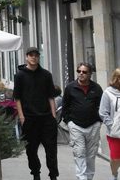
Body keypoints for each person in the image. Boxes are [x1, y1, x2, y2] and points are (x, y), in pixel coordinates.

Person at [14, 46, 58, 180]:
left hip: (46, 118)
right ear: (26, 57)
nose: (33, 57)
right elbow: (17, 98)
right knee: (31, 150)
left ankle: (53, 175)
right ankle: (36, 173)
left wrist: (53, 115)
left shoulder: (46, 75)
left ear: (39, 57)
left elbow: (51, 96)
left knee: (51, 150)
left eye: (36, 55)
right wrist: (21, 117)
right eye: (31, 55)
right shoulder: (20, 75)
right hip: (29, 118)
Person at [62, 62, 102, 180]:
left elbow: (102, 106)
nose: (81, 74)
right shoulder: (70, 87)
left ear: (90, 74)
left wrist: (99, 121)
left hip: (93, 125)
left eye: (84, 72)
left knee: (91, 155)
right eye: (79, 71)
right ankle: (81, 178)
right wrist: (68, 122)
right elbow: (65, 106)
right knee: (79, 153)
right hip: (76, 126)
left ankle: (89, 177)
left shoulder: (97, 88)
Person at [100, 68, 120, 180]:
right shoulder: (108, 93)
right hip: (115, 133)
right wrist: (112, 125)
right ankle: (114, 174)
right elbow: (103, 113)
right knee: (116, 158)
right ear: (117, 79)